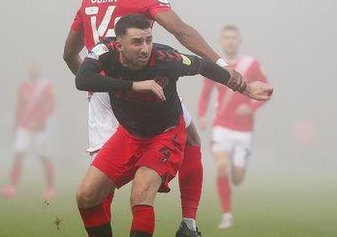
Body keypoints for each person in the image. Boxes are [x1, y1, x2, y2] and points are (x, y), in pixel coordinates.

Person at [63, 0, 247, 237]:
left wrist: (97, 84)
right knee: (102, 186)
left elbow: (69, 53)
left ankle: (188, 225)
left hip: (106, 90)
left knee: (187, 137)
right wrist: (223, 64)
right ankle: (188, 222)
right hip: (141, 84)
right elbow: (181, 31)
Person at [73, 14, 273, 237]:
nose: (145, 48)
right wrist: (134, 86)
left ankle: (188, 222)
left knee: (140, 194)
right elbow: (82, 80)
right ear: (119, 45)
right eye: (137, 42)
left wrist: (244, 88)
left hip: (165, 136)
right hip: (128, 135)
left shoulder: (166, 58)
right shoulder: (104, 52)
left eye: (148, 40)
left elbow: (203, 66)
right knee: (86, 195)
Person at [197, 25, 269, 229]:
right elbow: (205, 95)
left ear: (239, 41)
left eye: (233, 38)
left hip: (244, 130)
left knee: (237, 177)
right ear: (221, 41)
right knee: (221, 167)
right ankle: (227, 214)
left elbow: (267, 90)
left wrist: (252, 107)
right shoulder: (216, 65)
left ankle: (239, 169)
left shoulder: (251, 64)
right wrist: (202, 116)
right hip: (221, 127)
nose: (230, 41)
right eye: (226, 37)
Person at [0, 63, 56, 199]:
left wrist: (38, 121)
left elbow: (51, 106)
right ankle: (11, 187)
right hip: (24, 127)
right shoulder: (23, 87)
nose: (33, 71)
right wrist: (16, 126)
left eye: (35, 69)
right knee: (18, 155)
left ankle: (50, 189)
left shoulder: (46, 87)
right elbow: (19, 107)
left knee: (44, 156)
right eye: (31, 69)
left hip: (39, 128)